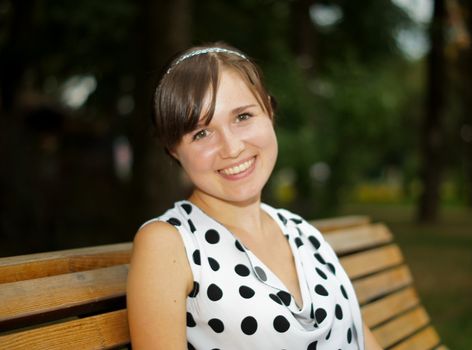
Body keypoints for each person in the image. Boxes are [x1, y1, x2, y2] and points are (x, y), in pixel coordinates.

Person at [126, 43, 382, 350]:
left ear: (269, 112)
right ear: (174, 150)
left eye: (243, 117)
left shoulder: (303, 233)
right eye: (201, 133)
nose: (231, 148)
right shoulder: (169, 243)